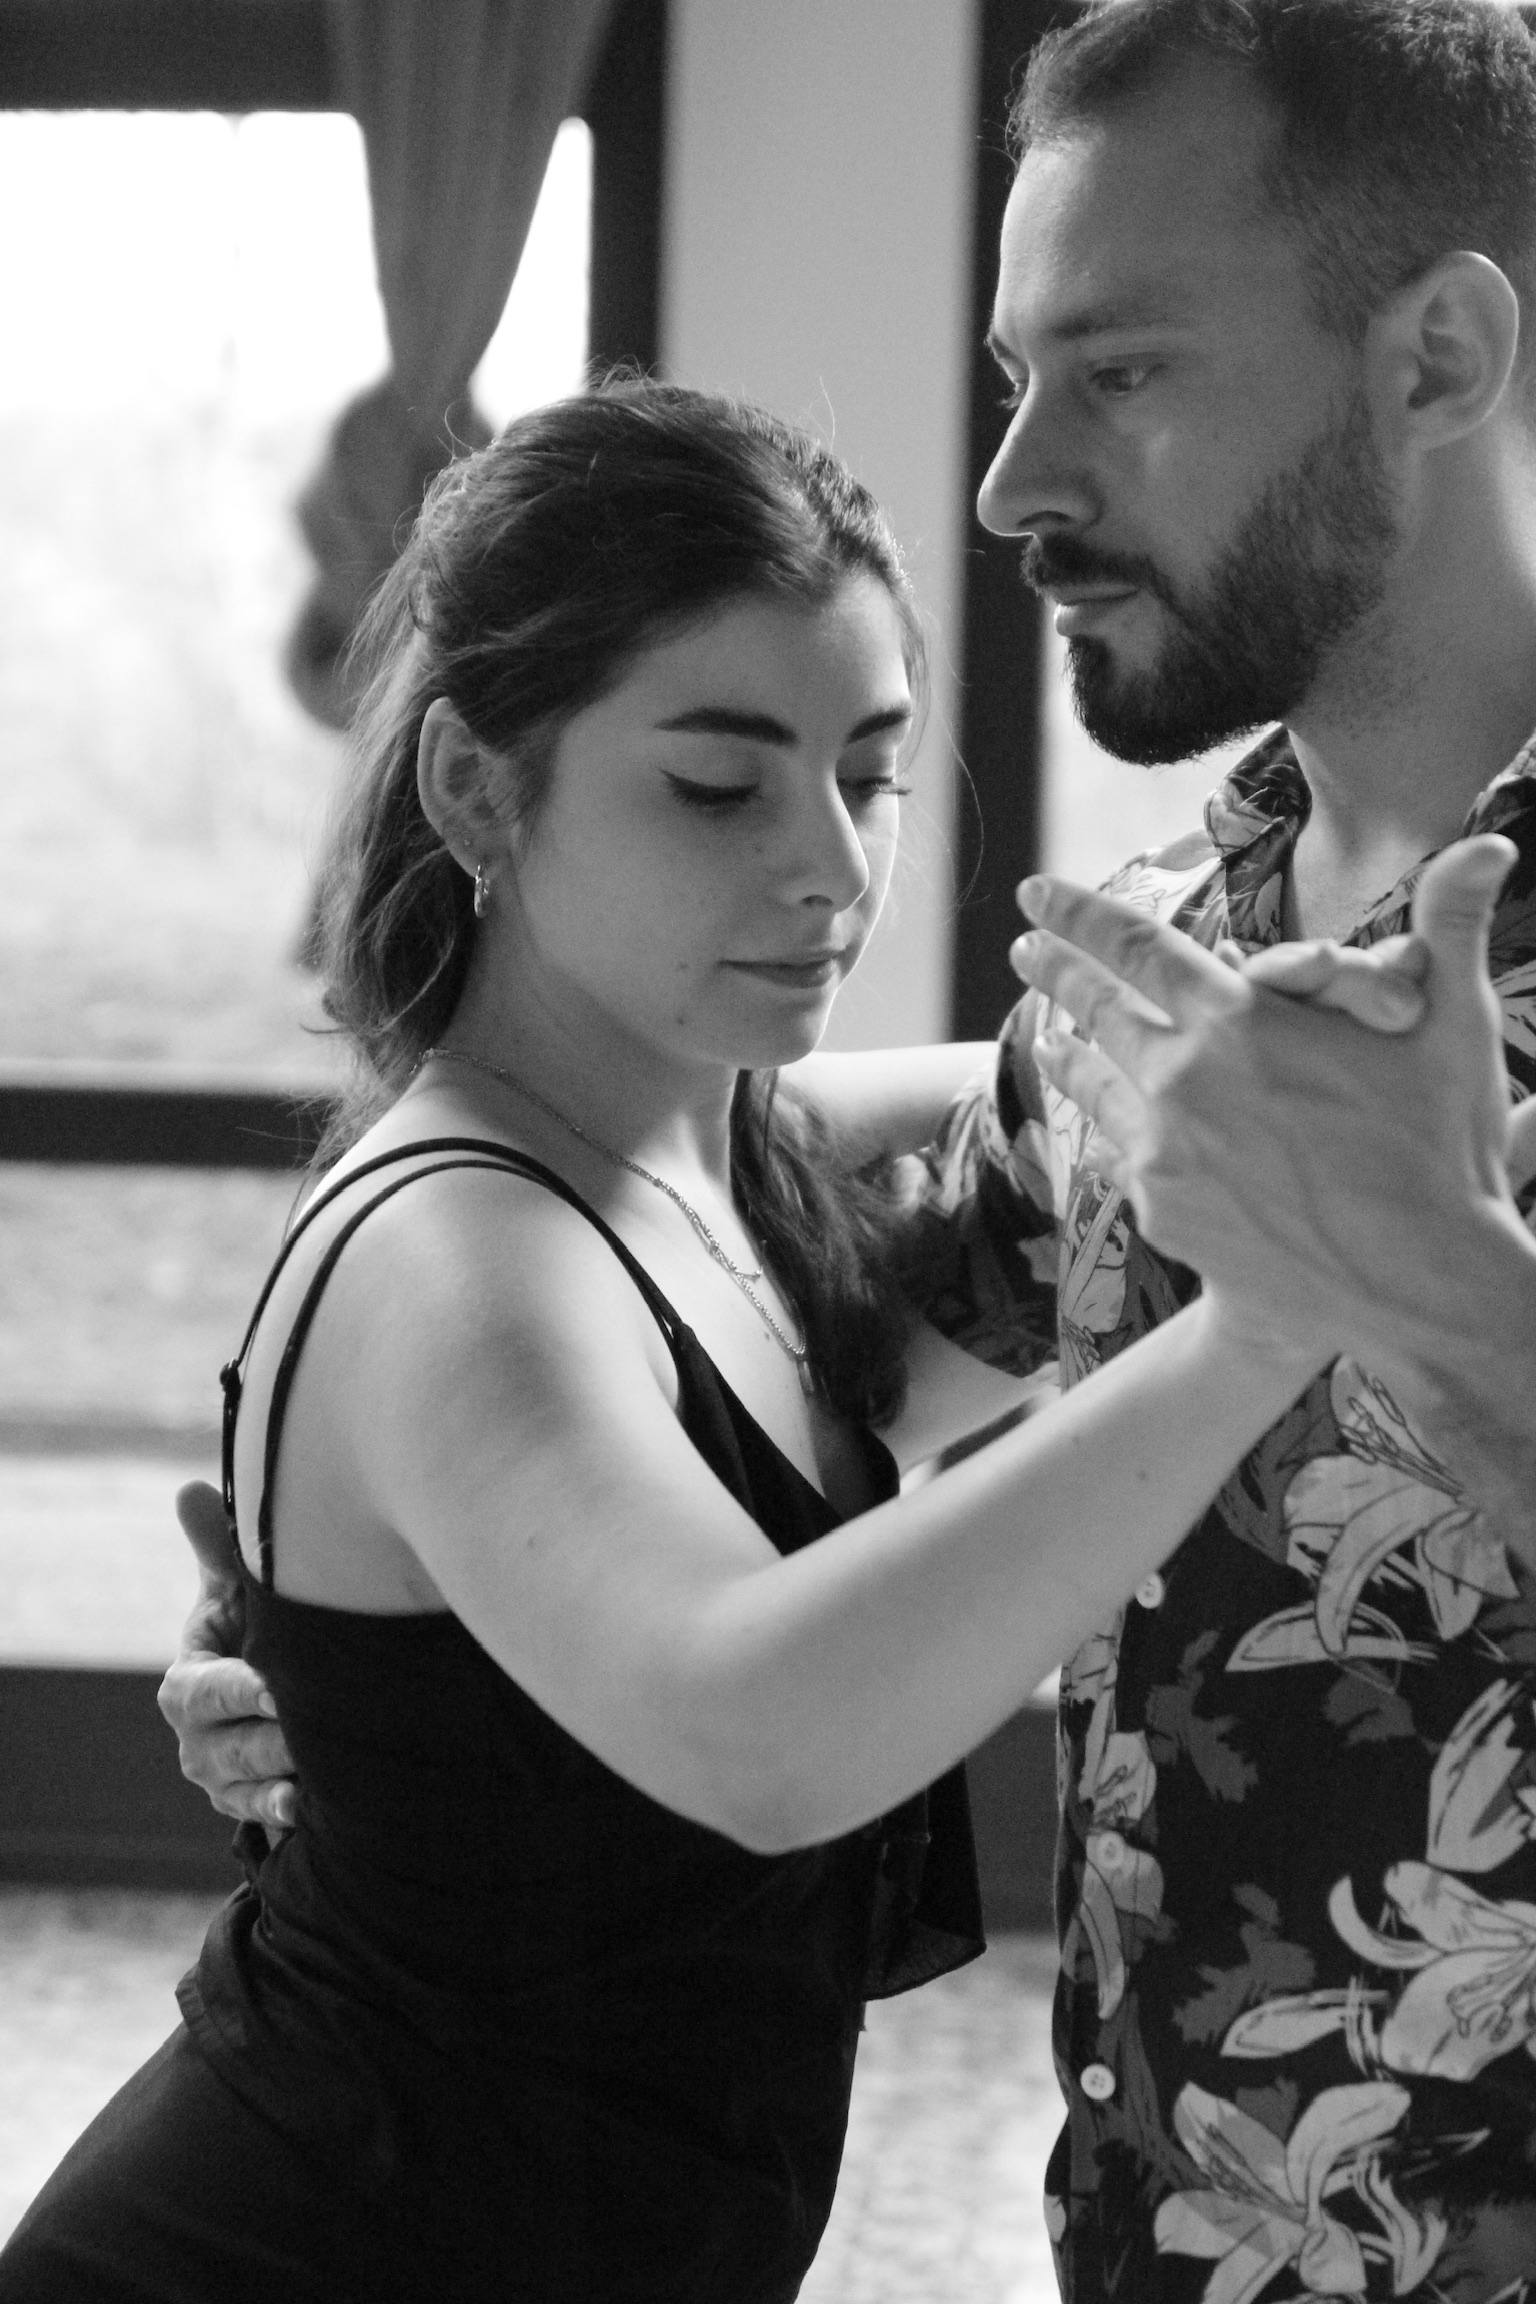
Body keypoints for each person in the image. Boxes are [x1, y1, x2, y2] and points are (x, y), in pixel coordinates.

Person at [2, 376, 1417, 2304]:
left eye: (872, 771)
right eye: (718, 785)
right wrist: (1286, 1299)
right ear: (475, 788)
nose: (831, 865)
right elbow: (760, 1731)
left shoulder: (730, 1154)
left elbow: (1085, 1097)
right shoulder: (463, 1249)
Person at [891, 1, 1536, 2295]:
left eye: (1125, 369)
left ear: (1436, 357)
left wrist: (1450, 1297)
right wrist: (372, 1640)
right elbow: (836, 1343)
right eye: (1016, 378)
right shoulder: (1161, 949)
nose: (1013, 485)